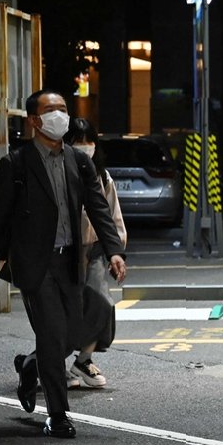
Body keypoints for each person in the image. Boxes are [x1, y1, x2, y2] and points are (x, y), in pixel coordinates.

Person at [0, 90, 127, 438]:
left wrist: (114, 250)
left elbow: (98, 208)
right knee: (52, 334)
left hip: (72, 261)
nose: (60, 115)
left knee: (76, 332)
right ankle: (58, 413)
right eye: (51, 110)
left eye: (63, 109)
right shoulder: (17, 163)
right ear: (34, 120)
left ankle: (30, 364)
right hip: (35, 264)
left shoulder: (78, 161)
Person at [63, 117, 127, 388]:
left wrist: (116, 251)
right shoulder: (58, 172)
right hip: (63, 250)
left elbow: (112, 215)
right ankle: (44, 363)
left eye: (89, 141)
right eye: (78, 142)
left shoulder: (102, 176)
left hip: (96, 248)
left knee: (101, 302)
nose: (85, 146)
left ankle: (83, 359)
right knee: (63, 309)